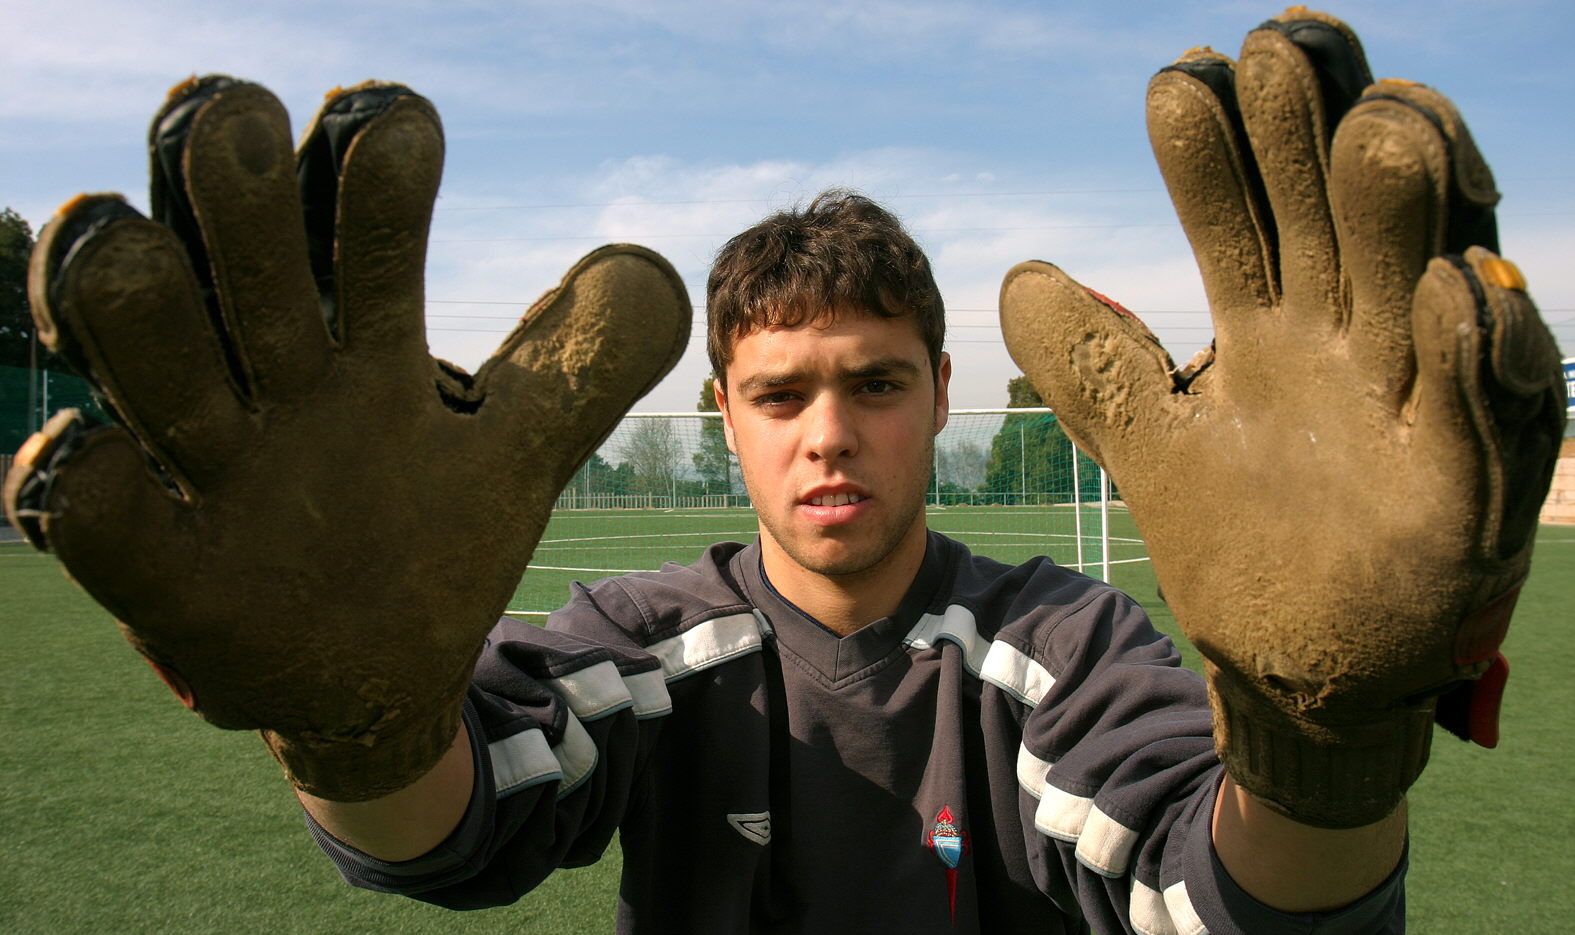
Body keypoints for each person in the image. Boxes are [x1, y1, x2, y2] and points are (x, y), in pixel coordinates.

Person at [6, 8, 1563, 935]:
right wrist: (354, 726)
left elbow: (1205, 903)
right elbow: (454, 830)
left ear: (944, 395)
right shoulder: (647, 642)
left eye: (878, 384)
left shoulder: (1060, 649)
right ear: (725, 413)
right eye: (783, 393)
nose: (831, 431)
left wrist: (1322, 746)